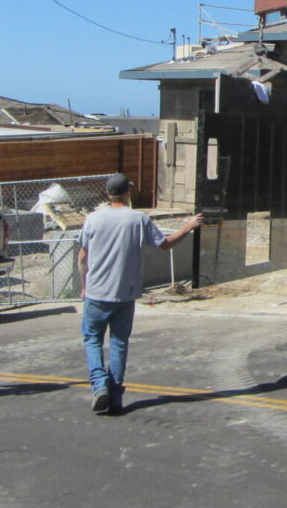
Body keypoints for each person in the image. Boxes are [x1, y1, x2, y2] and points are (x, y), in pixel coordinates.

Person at [77, 173, 204, 415]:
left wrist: (84, 285)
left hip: (96, 292)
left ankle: (99, 384)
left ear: (107, 194)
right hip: (125, 294)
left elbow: (83, 256)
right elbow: (165, 244)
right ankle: (115, 398)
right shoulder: (137, 219)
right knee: (119, 342)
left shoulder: (93, 219)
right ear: (127, 193)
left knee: (93, 339)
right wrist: (188, 226)